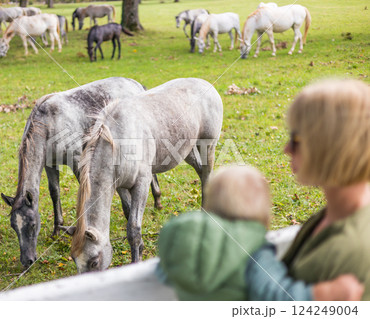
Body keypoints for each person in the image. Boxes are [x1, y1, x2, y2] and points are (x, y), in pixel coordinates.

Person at [157, 165, 363, 301]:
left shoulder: (176, 238)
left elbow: (163, 273)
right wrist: (323, 294)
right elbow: (277, 295)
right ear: (262, 212)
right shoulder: (254, 251)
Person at [247, 78, 370, 300]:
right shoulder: (339, 212)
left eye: (295, 139)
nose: (286, 149)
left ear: (330, 145)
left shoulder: (351, 252)